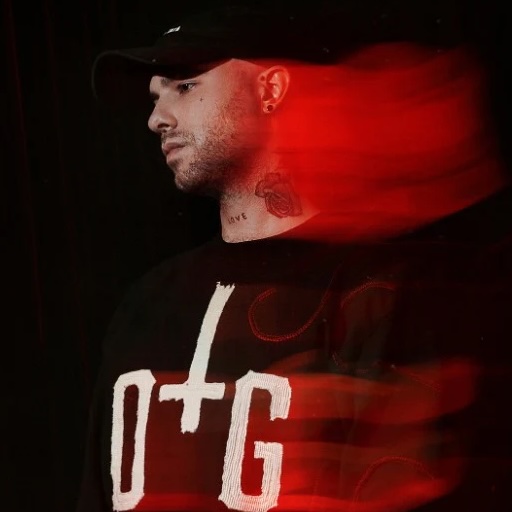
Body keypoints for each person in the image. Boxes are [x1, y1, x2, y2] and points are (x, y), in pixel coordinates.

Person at [77, 3, 512, 511]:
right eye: (155, 98)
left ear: (271, 89)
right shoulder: (148, 303)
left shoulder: (385, 293)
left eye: (185, 86)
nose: (157, 119)